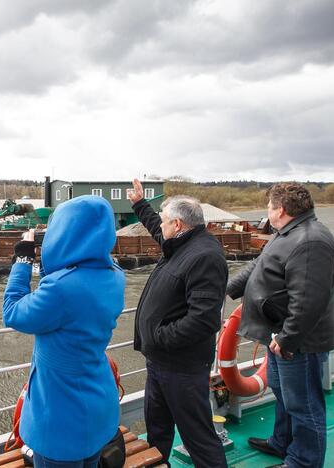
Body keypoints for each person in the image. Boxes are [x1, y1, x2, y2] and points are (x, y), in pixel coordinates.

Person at [2, 195, 125, 467]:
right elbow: (66, 287)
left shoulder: (60, 290)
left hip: (60, 421)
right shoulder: (115, 275)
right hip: (96, 410)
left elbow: (12, 312)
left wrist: (23, 261)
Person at [226, 183, 334, 468]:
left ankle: (303, 461)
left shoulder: (311, 241)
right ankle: (282, 442)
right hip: (278, 333)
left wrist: (288, 339)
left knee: (303, 403)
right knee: (282, 390)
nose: (268, 212)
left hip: (298, 341)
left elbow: (309, 299)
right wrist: (226, 288)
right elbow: (258, 267)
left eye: (270, 207)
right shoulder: (287, 233)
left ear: (281, 210)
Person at [127, 179, 228, 468]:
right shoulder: (181, 245)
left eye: (164, 222)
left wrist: (159, 337)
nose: (161, 227)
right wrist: (138, 204)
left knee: (197, 435)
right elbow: (156, 229)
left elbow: (204, 320)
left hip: (181, 367)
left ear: (179, 225)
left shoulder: (205, 256)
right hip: (159, 362)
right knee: (157, 429)